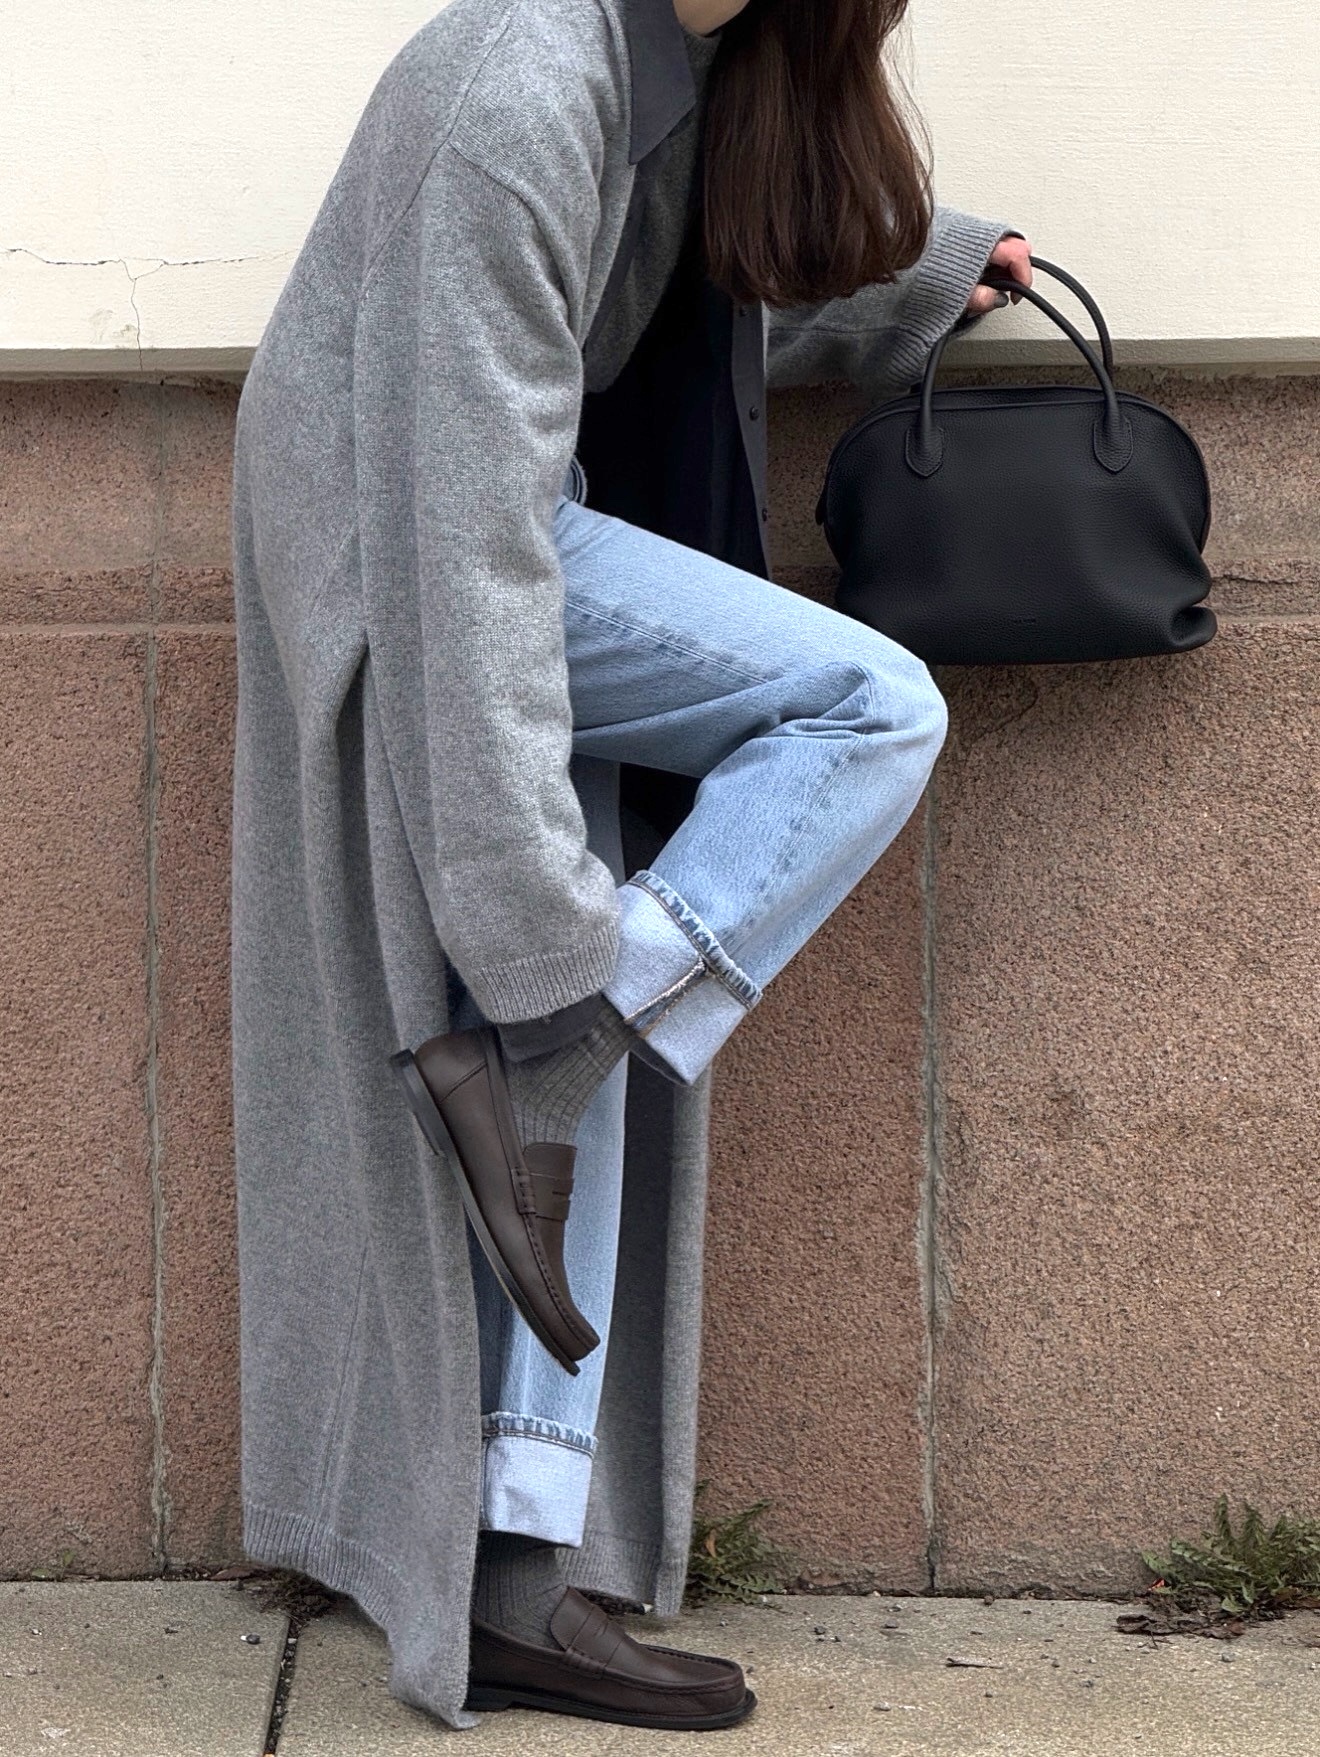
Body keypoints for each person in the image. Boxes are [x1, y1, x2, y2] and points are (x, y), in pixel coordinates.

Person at [230, 0, 1030, 1731]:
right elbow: (461, 529)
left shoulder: (691, 69)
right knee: (866, 706)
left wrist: (931, 274)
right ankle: (562, 1027)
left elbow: (692, 267)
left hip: (513, 515)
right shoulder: (521, 77)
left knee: (574, 1021)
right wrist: (534, 940)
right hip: (418, 544)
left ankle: (526, 1569)